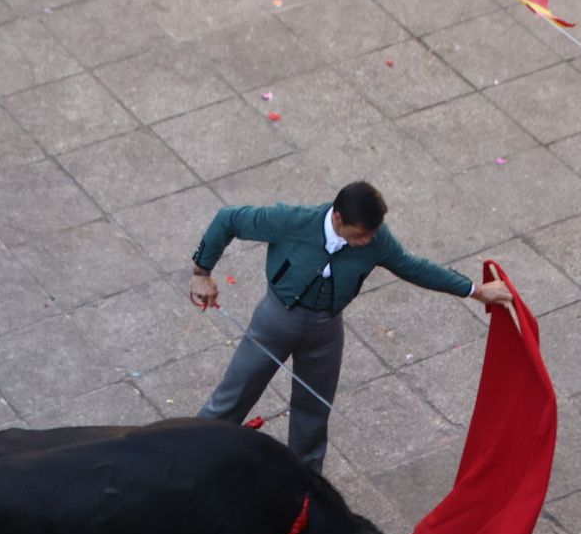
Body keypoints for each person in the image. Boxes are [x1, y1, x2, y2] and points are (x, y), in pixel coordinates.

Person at [189, 180, 513, 473]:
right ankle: (187, 455)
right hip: (276, 319)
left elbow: (412, 266)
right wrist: (202, 272)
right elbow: (228, 218)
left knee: (314, 407)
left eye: (372, 233)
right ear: (338, 218)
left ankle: (306, 480)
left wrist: (473, 290)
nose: (368, 241)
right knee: (235, 393)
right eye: (360, 235)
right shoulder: (291, 220)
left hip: (326, 329)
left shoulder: (376, 239)